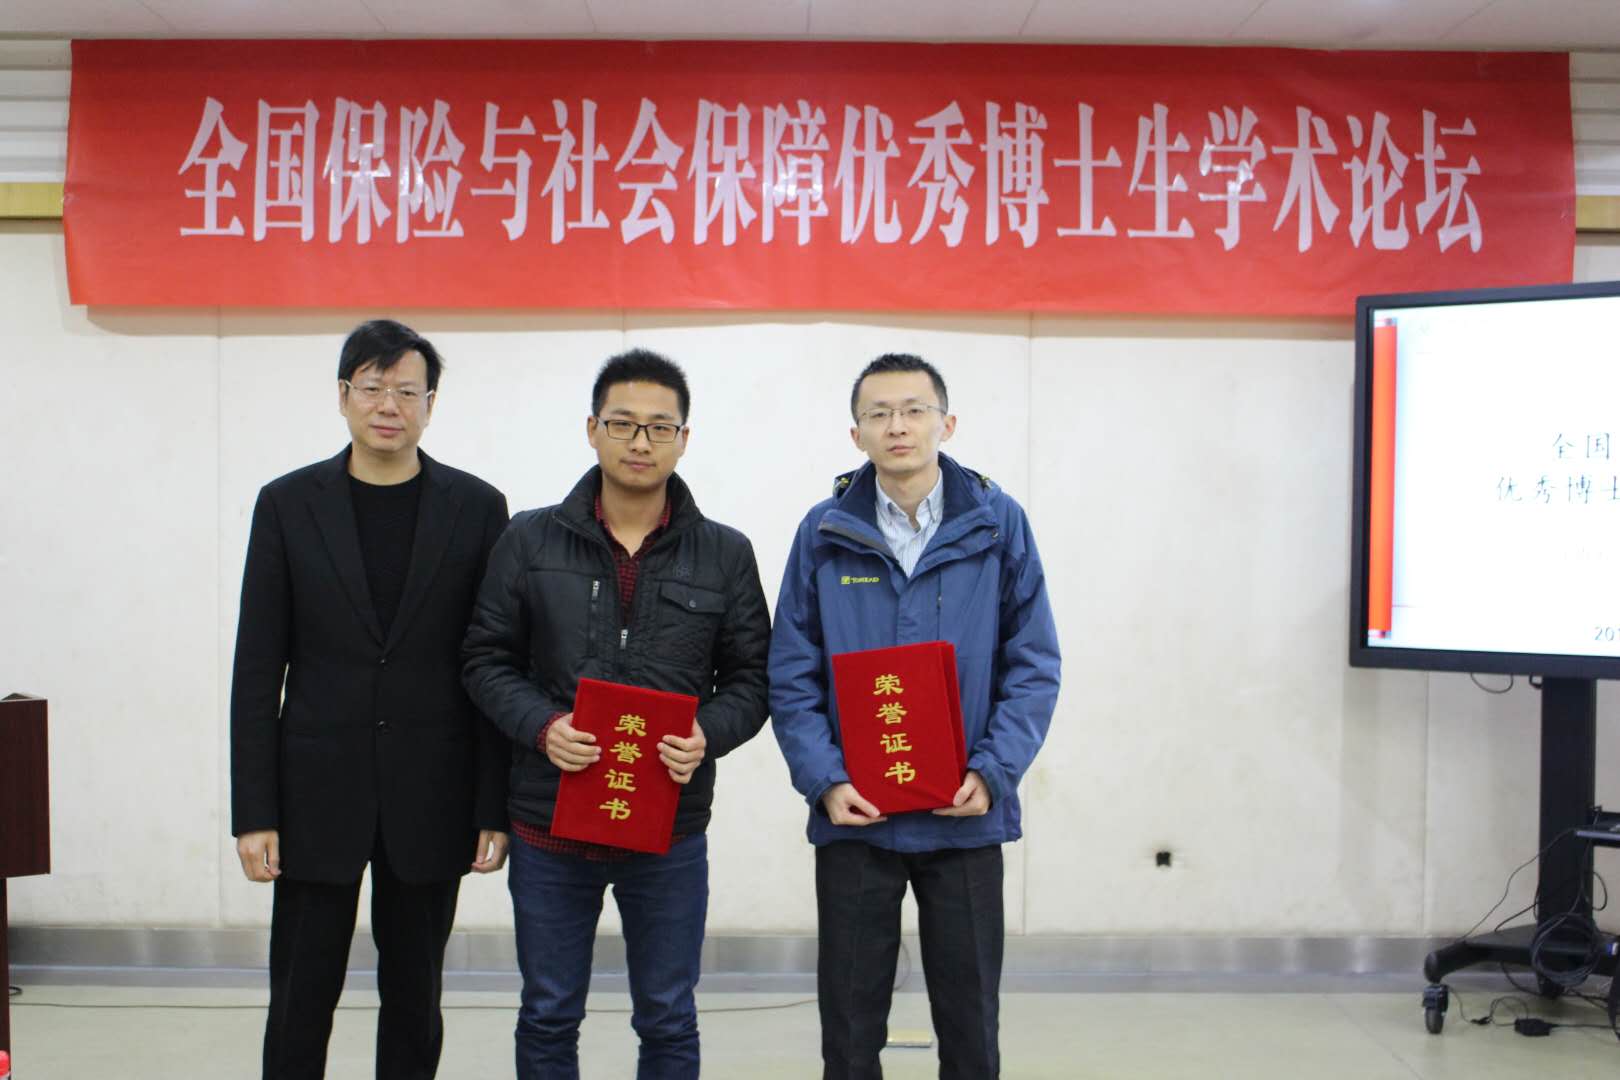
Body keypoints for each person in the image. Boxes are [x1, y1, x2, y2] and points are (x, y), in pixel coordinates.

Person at [462, 348, 770, 1080]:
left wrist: (707, 733)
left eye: (660, 427)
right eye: (623, 423)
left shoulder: (724, 554)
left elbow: (754, 679)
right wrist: (543, 727)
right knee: (548, 1012)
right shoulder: (529, 540)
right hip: (550, 822)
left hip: (668, 827)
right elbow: (484, 660)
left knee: (668, 1015)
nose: (640, 442)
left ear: (683, 440)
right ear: (592, 430)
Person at [229, 319, 511, 1079]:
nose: (390, 405)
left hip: (433, 791)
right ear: (343, 396)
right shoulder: (288, 504)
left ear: (431, 405)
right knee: (300, 992)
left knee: (416, 995)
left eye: (408, 391)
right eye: (374, 388)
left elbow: (492, 663)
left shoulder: (477, 508)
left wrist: (492, 802)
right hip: (315, 794)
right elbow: (257, 667)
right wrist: (254, 811)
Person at [769, 353, 1061, 1079]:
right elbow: (791, 670)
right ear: (856, 434)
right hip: (856, 815)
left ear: (946, 423)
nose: (897, 426)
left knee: (970, 1022)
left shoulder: (997, 524)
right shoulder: (823, 531)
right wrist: (825, 779)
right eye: (878, 414)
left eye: (913, 410)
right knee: (849, 1025)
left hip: (964, 814)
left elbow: (1033, 662)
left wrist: (993, 772)